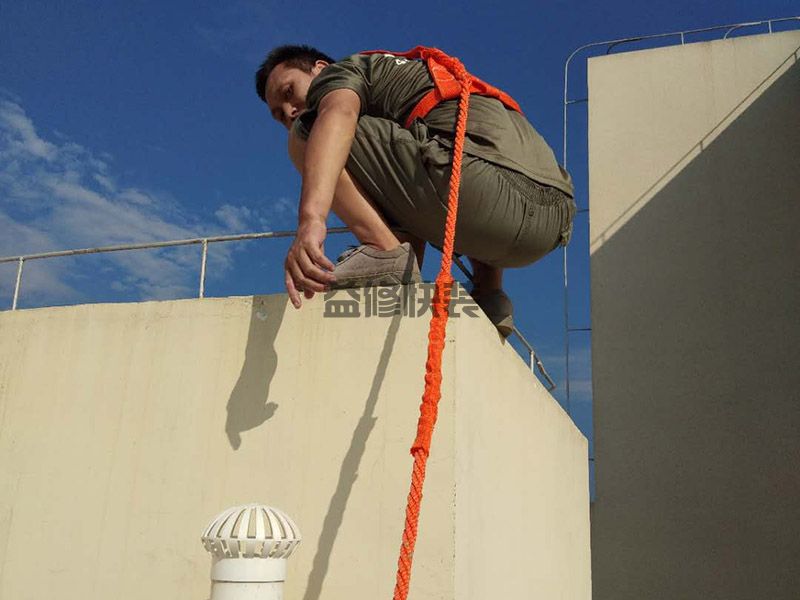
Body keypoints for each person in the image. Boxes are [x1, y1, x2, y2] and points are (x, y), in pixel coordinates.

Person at [254, 44, 575, 337]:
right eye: (279, 114)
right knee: (446, 147)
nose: (290, 110)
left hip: (482, 186)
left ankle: (383, 249)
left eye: (289, 91)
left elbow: (338, 114)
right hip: (550, 223)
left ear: (320, 69)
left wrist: (311, 220)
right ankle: (490, 295)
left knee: (309, 132)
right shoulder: (422, 87)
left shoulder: (348, 71)